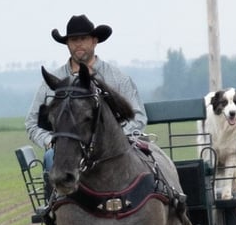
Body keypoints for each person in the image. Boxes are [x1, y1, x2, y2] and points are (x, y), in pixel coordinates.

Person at [25, 14, 147, 161]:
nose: (78, 44)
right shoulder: (49, 84)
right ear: (67, 44)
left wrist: (112, 140)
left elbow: (138, 117)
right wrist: (51, 141)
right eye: (73, 40)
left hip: (112, 153)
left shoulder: (118, 79)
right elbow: (32, 123)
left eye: (83, 39)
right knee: (52, 157)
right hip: (66, 153)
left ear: (94, 41)